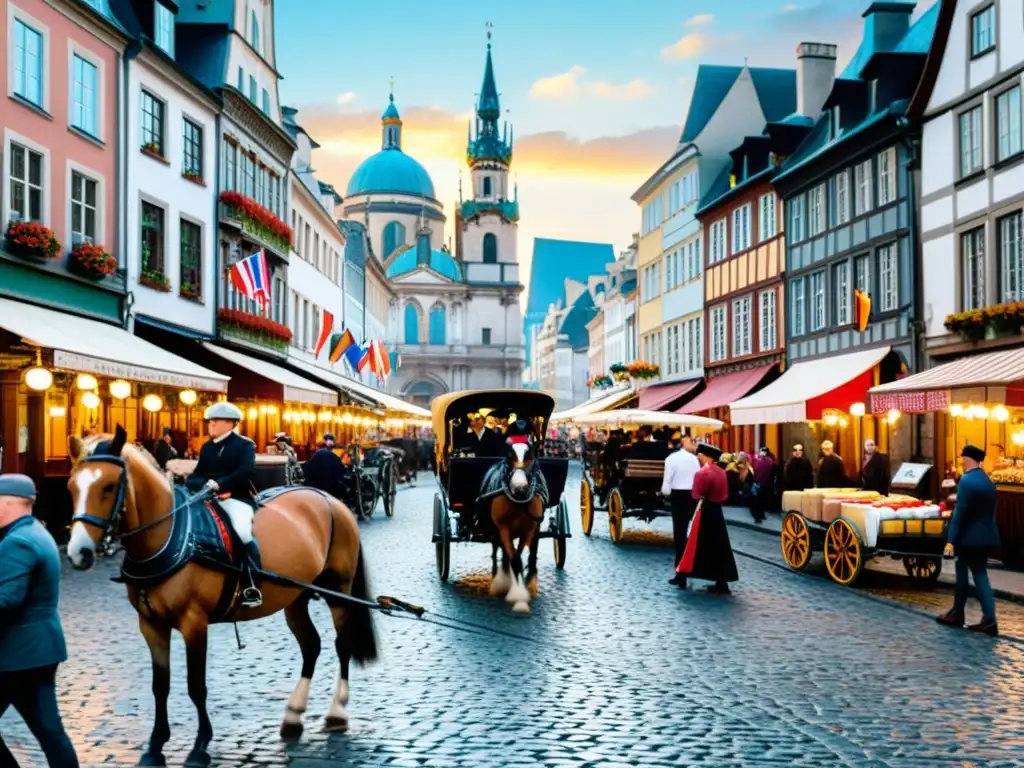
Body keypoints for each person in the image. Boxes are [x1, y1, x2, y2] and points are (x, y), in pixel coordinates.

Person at [0, 474, 79, 767]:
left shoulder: (18, 541)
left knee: (50, 731)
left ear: (7, 502)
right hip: (35, 650)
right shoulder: (35, 532)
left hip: (19, 654)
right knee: (49, 730)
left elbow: (6, 600)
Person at [185, 402, 262, 608]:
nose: (211, 425)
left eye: (215, 421)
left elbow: (245, 471)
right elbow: (199, 473)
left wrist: (220, 484)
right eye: (210, 421)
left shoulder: (244, 445)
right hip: (207, 498)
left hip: (235, 498)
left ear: (230, 423)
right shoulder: (207, 447)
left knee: (242, 533)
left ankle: (251, 582)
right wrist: (190, 483)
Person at [937, 444, 1000, 636]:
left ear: (967, 459)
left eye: (962, 460)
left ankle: (963, 614)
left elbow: (960, 512)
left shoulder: (967, 480)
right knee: (978, 574)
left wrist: (951, 540)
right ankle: (984, 617)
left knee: (966, 574)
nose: (961, 463)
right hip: (987, 536)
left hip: (969, 538)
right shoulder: (987, 480)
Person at [677, 442, 739, 594]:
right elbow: (724, 494)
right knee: (720, 547)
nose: (698, 458)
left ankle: (682, 577)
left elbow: (695, 495)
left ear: (706, 457)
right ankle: (722, 581)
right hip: (717, 512)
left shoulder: (702, 473)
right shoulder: (721, 472)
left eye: (700, 456)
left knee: (693, 545)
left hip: (704, 510)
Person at [662, 435, 700, 588]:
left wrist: (665, 493)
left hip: (678, 496)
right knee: (692, 533)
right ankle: (691, 569)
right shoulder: (694, 459)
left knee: (679, 534)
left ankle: (680, 573)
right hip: (693, 496)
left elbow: (667, 484)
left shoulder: (671, 459)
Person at [303, 433, 346, 497]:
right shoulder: (334, 457)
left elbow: (307, 471)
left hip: (313, 491)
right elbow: (341, 472)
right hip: (329, 493)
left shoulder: (315, 456)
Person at [750, 447, 776, 524]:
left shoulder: (763, 462)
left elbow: (757, 472)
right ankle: (761, 515)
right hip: (764, 484)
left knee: (758, 501)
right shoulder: (769, 462)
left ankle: (758, 517)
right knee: (760, 501)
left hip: (760, 484)